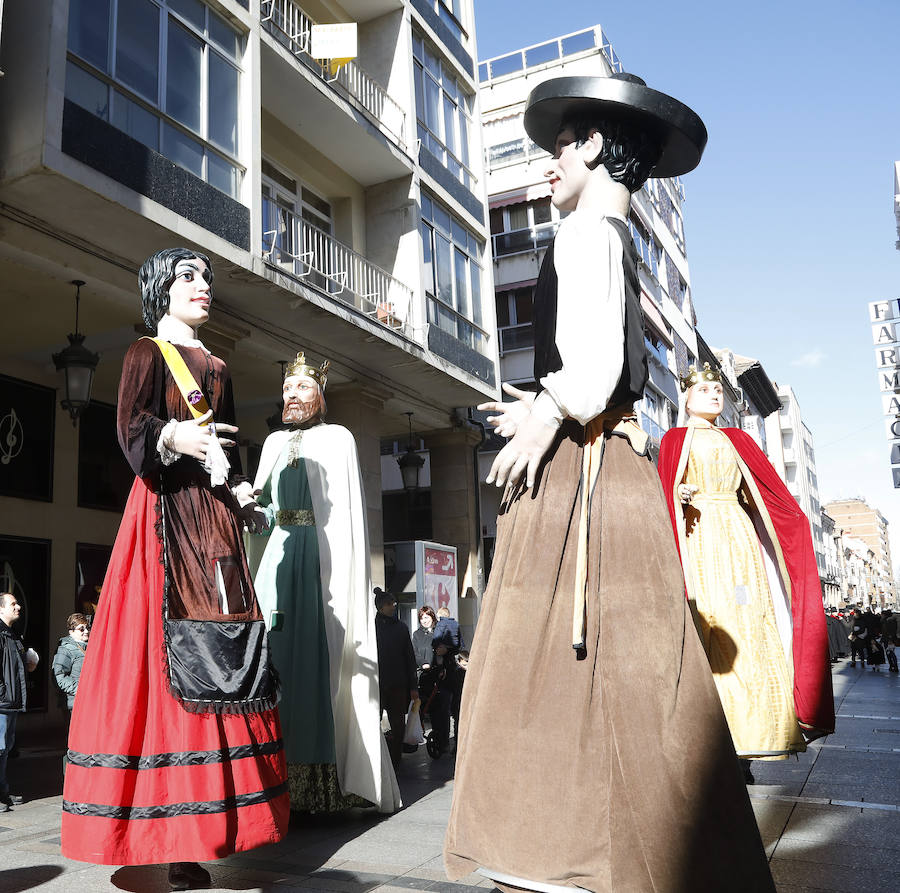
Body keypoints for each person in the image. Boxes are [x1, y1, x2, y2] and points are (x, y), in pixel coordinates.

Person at [445, 73, 775, 892]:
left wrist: (545, 412)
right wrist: (542, 402)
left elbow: (590, 375)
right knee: (641, 673)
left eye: (560, 146)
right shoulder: (613, 236)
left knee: (546, 660)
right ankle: (669, 851)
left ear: (594, 145)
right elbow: (606, 368)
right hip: (615, 469)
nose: (548, 164)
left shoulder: (586, 233)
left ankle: (555, 845)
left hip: (580, 474)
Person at [61, 248, 288, 889]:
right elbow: (131, 430)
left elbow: (226, 449)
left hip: (213, 522)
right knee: (162, 660)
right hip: (163, 517)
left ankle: (202, 831)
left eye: (206, 277)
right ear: (161, 287)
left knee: (224, 651)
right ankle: (158, 836)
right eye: (188, 276)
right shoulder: (146, 353)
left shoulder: (218, 366)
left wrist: (239, 493)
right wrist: (172, 436)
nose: (202, 286)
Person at [657, 366, 834, 784]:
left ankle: (753, 739)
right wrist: (679, 493)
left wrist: (789, 522)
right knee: (709, 624)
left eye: (718, 390)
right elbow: (663, 489)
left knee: (751, 626)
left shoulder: (739, 440)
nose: (713, 395)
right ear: (686, 399)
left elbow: (763, 494)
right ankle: (713, 741)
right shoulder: (674, 440)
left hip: (739, 536)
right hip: (699, 536)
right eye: (703, 390)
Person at [245, 353, 400, 813]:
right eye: (287, 387)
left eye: (303, 387)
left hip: (321, 560)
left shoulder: (339, 439)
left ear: (321, 394)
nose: (292, 394)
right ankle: (268, 774)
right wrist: (247, 506)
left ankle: (322, 781)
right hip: (278, 558)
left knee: (318, 662)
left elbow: (346, 515)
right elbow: (265, 507)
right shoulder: (272, 442)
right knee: (271, 657)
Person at [373, 590, 417, 770]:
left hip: (397, 684)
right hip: (376, 684)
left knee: (398, 725)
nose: (394, 606)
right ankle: (378, 758)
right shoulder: (371, 627)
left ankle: (395, 759)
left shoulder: (401, 628)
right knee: (373, 722)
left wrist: (413, 686)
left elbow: (409, 658)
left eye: (393, 602)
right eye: (389, 603)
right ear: (380, 607)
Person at [1, 593, 37, 811]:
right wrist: (3, 693)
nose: (18, 607)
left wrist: (28, 664)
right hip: (3, 702)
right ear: (1, 609)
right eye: (13, 604)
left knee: (5, 748)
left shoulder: (13, 634)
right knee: (0, 748)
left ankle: (3, 790)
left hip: (11, 701)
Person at [52, 613, 89, 713]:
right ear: (71, 631)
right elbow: (59, 677)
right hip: (74, 704)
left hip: (88, 701)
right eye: (81, 629)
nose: (86, 631)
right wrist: (81, 690)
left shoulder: (89, 646)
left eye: (87, 628)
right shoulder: (65, 649)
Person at [412, 606, 437, 674]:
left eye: (426, 617)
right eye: (421, 618)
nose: (424, 621)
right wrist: (423, 663)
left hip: (440, 673)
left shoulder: (440, 631)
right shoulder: (417, 634)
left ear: (432, 617)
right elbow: (414, 653)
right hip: (423, 672)